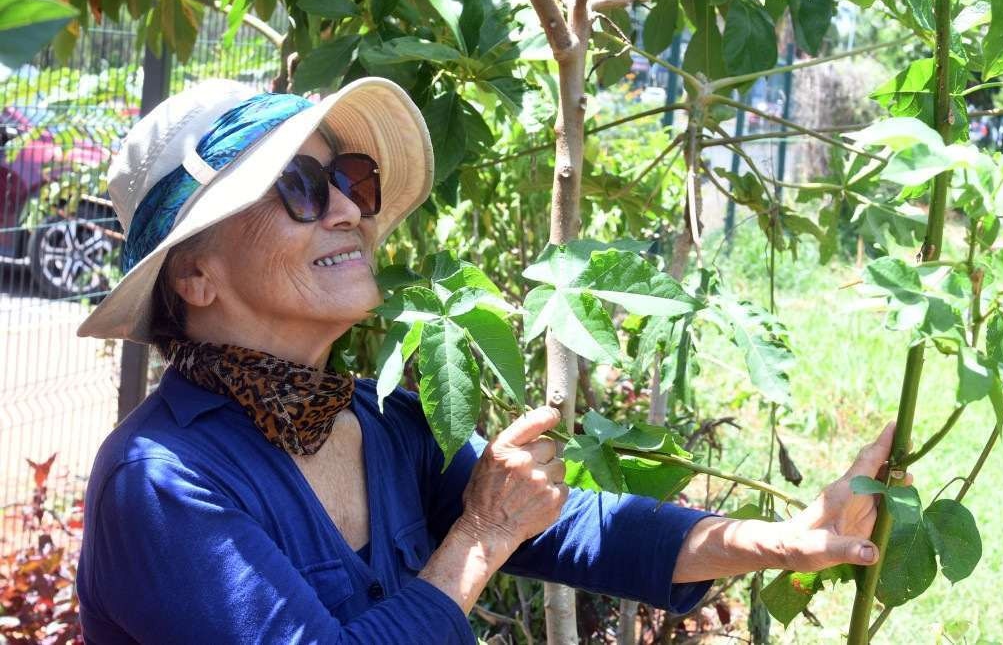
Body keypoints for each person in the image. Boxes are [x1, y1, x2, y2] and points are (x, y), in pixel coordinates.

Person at [75, 77, 902, 643]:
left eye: (351, 180)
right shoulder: (160, 480)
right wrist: (479, 537)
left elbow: (565, 523)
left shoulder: (379, 418)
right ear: (194, 274)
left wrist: (782, 539)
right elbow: (496, 518)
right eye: (296, 186)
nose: (344, 211)